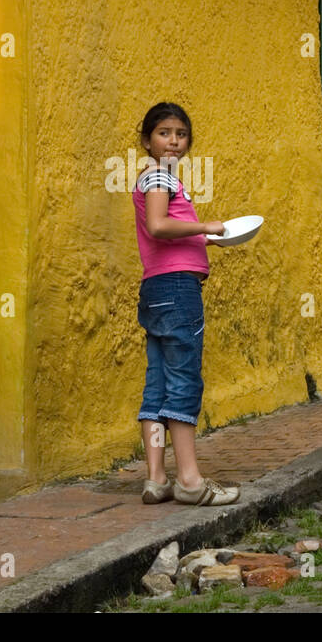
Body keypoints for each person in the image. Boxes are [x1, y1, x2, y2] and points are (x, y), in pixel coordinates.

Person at [132, 102, 240, 506]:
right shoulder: (160, 176)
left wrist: (200, 239)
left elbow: (163, 229)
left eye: (180, 133)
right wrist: (206, 226)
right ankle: (191, 481)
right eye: (163, 133)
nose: (173, 140)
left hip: (157, 288)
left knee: (158, 384)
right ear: (146, 140)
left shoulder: (152, 177)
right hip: (178, 290)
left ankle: (157, 478)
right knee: (184, 381)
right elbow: (159, 227)